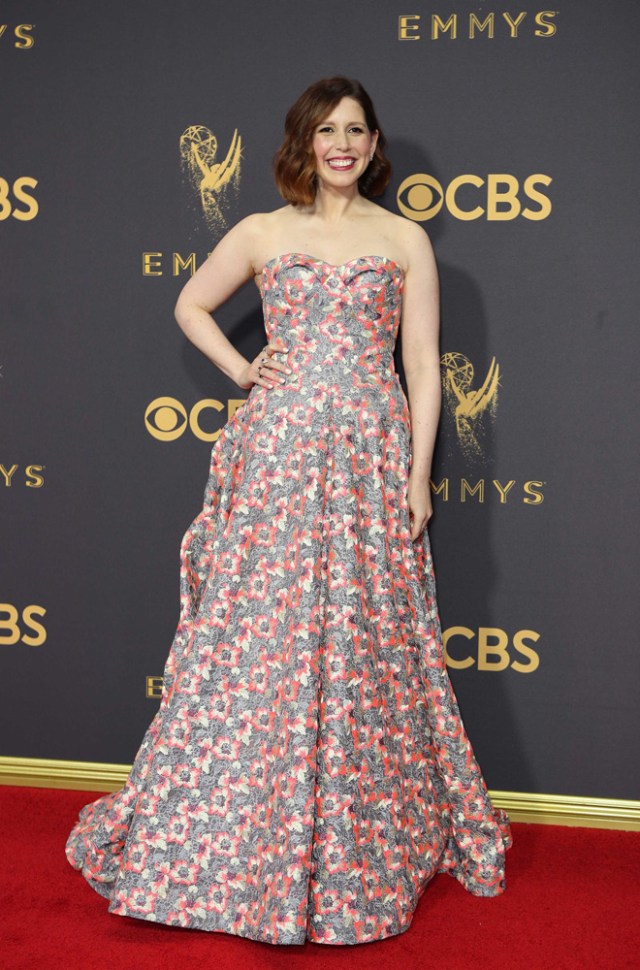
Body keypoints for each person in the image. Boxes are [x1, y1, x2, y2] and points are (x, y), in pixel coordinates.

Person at [66, 76, 511, 946]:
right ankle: (236, 833)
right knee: (255, 636)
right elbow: (191, 305)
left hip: (368, 460)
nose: (340, 143)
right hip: (274, 458)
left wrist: (416, 477)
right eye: (325, 130)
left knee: (363, 638)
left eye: (356, 129)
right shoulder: (264, 232)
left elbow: (422, 368)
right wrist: (243, 371)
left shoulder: (405, 239)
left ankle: (356, 838)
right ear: (303, 142)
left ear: (375, 145)